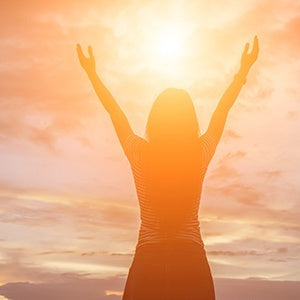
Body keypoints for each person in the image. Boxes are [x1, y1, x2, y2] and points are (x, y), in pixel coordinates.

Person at [76, 35, 259, 300]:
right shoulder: (199, 153)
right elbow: (222, 111)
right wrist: (243, 70)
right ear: (189, 120)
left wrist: (92, 74)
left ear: (154, 119)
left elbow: (115, 113)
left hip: (147, 262)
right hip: (190, 260)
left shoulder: (140, 153)